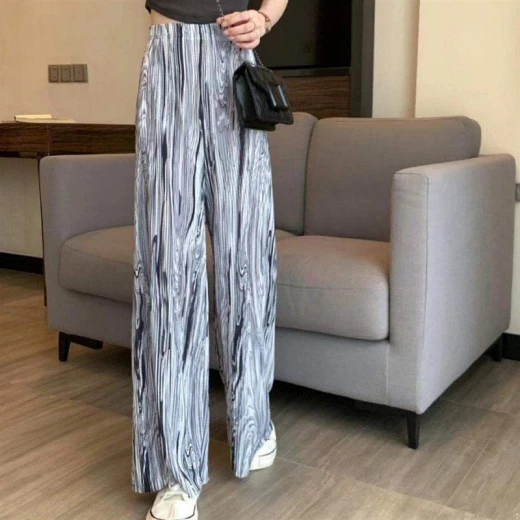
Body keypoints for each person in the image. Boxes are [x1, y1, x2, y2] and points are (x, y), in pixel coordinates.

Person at [131, 1, 289, 518]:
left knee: (246, 258)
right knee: (169, 267)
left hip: (235, 59)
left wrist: (264, 18)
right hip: (169, 58)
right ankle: (177, 468)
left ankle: (253, 423)